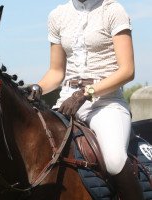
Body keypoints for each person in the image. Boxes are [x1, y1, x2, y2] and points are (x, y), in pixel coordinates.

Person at [28, 0, 144, 199]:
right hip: (67, 101)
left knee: (114, 160)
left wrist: (86, 93)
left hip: (107, 103)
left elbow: (127, 71)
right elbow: (56, 72)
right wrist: (37, 88)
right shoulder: (58, 15)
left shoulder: (112, 10)